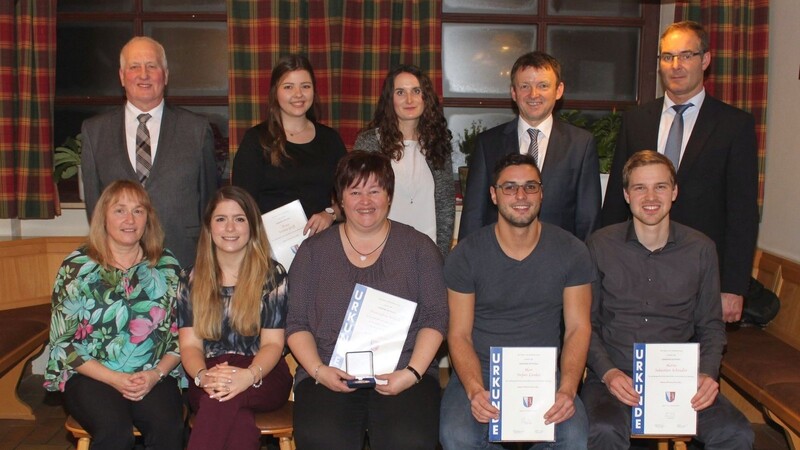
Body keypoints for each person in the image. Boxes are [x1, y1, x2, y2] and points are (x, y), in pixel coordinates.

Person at [582, 150, 753, 450]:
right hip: (614, 375)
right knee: (604, 431)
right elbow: (587, 324)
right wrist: (607, 372)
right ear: (625, 194)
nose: (651, 196)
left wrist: (707, 374)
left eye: (660, 186)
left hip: (682, 378)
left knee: (736, 433)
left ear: (674, 192)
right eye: (639, 187)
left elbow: (711, 326)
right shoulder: (599, 245)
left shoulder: (701, 249)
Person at [286, 151, 448, 449]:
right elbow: (296, 323)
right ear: (340, 199)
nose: (365, 201)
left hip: (403, 372)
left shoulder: (419, 249)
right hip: (327, 372)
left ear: (389, 195)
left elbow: (436, 317)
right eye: (355, 191)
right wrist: (320, 372)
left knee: (408, 440)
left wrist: (411, 374)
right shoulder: (312, 253)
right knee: (324, 438)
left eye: (375, 190)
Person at [601, 21, 759, 323]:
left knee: (693, 365)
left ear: (706, 60)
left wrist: (733, 287)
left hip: (700, 276)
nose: (676, 65)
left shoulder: (734, 125)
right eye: (667, 56)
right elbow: (615, 203)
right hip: (634, 270)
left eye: (686, 55)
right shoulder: (636, 121)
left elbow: (742, 212)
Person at [441, 153, 593, 449]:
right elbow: (458, 334)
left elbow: (578, 328)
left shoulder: (572, 251)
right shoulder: (466, 255)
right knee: (457, 436)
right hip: (479, 370)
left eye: (530, 187)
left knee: (573, 437)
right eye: (509, 187)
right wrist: (474, 390)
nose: (521, 195)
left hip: (546, 374)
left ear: (541, 193)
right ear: (493, 195)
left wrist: (568, 389)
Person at [44, 179, 183, 450]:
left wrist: (155, 374)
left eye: (138, 211)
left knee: (169, 427)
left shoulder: (166, 266)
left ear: (148, 219)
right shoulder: (77, 267)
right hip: (91, 376)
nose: (129, 219)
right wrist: (116, 379)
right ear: (103, 217)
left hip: (152, 375)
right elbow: (63, 343)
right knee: (115, 432)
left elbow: (183, 334)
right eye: (119, 210)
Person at [81, 36, 219, 268]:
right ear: (122, 76)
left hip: (184, 261)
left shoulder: (196, 129)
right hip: (118, 264)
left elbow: (208, 202)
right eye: (134, 67)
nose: (143, 74)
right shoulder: (95, 132)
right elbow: (95, 208)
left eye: (151, 66)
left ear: (165, 75)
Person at [177, 186, 292, 450]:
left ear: (252, 226)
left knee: (220, 399)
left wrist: (248, 376)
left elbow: (273, 345)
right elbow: (190, 346)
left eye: (239, 219)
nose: (230, 228)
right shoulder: (189, 279)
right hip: (208, 371)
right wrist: (203, 376)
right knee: (234, 415)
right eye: (221, 219)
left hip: (264, 371)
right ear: (208, 228)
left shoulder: (272, 275)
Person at [458, 51, 601, 242]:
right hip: (499, 262)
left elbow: (588, 219)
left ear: (558, 91)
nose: (534, 94)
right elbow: (473, 215)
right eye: (525, 86)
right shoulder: (488, 143)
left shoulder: (581, 144)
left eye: (543, 85)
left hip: (560, 260)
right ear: (513, 92)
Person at [233, 54, 347, 237]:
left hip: (321, 248)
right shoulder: (256, 140)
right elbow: (241, 204)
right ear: (275, 92)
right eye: (288, 87)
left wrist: (330, 214)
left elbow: (351, 198)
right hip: (269, 251)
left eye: (305, 86)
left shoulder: (331, 140)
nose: (298, 94)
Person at [353, 64, 455, 256]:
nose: (409, 99)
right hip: (378, 253)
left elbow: (445, 207)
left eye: (416, 91)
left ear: (426, 98)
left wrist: (439, 256)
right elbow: (358, 202)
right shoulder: (369, 143)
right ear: (390, 99)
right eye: (400, 92)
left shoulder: (438, 144)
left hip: (426, 254)